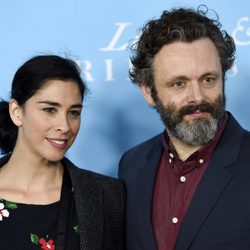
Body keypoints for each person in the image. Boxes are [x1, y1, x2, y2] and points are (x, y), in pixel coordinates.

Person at [118, 5, 250, 250]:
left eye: (208, 79)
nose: (197, 97)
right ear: (149, 91)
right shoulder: (132, 165)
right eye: (179, 83)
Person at [0, 55, 124, 250]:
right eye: (49, 110)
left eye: (73, 112)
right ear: (17, 112)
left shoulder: (106, 196)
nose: (64, 126)